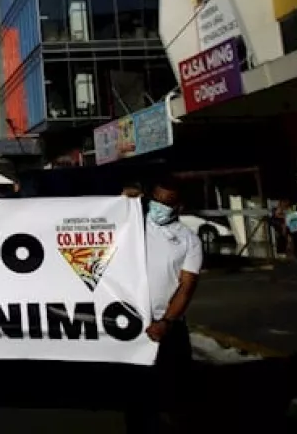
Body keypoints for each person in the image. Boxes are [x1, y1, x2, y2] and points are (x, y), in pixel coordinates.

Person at [127, 178, 202, 434]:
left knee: (174, 396)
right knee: (136, 398)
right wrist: (120, 200)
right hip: (129, 324)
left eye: (166, 202)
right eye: (156, 199)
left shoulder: (189, 240)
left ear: (178, 206)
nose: (159, 206)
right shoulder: (133, 224)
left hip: (167, 328)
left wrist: (166, 322)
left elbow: (186, 287)